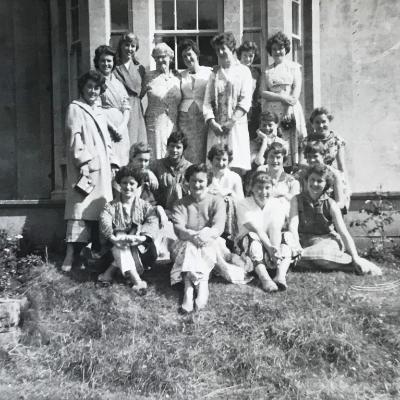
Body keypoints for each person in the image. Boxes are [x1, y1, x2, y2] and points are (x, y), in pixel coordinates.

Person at [62, 70, 116, 272]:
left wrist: (112, 163)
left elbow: (107, 142)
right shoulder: (76, 108)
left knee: (99, 208)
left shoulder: (100, 111)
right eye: (89, 87)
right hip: (85, 168)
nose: (93, 91)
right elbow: (75, 138)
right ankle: (70, 253)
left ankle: (94, 254)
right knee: (79, 210)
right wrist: (83, 163)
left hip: (102, 168)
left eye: (96, 88)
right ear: (82, 89)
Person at [288, 164, 382, 275]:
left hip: (327, 241)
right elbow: (293, 226)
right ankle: (347, 265)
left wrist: (355, 256)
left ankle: (355, 262)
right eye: (312, 180)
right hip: (304, 241)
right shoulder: (296, 199)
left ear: (326, 184)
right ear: (307, 180)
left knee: (320, 255)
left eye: (320, 181)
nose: (314, 184)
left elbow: (343, 232)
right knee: (293, 255)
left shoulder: (331, 204)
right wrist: (297, 247)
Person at [170, 164, 226, 312]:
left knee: (203, 244)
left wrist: (205, 234)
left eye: (201, 181)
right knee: (191, 246)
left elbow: (219, 227)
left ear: (207, 181)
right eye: (193, 180)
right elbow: (179, 229)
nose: (197, 184)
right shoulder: (180, 203)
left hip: (210, 241)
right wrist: (192, 235)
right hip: (184, 243)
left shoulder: (217, 201)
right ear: (188, 181)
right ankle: (193, 290)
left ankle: (194, 288)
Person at [98, 166, 159, 292]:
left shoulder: (144, 205)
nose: (128, 187)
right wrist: (113, 238)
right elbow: (104, 221)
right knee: (120, 235)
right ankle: (136, 280)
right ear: (119, 184)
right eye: (124, 183)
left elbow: (153, 220)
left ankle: (109, 273)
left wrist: (141, 237)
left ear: (137, 185)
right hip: (114, 247)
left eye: (132, 183)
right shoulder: (110, 206)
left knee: (126, 239)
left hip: (139, 248)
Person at [203, 32, 253, 174]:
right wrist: (212, 122)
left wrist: (231, 122)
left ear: (232, 48)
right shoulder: (215, 74)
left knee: (235, 165)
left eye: (223, 48)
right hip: (217, 129)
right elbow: (207, 102)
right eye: (217, 49)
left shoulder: (243, 71)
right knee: (216, 167)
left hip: (235, 127)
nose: (220, 52)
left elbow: (245, 101)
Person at [236, 171, 294, 291]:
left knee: (287, 236)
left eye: (267, 188)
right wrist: (269, 248)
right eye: (259, 188)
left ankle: (280, 275)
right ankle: (265, 279)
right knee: (252, 236)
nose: (263, 192)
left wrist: (275, 250)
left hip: (271, 249)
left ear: (272, 188)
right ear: (251, 188)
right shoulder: (243, 204)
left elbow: (275, 228)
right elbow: (256, 229)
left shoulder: (276, 203)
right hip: (250, 249)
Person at [260, 31, 307, 168]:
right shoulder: (267, 71)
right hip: (272, 112)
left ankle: (291, 170)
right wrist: (281, 97)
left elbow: (295, 92)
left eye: (280, 48)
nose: (277, 51)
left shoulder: (294, 67)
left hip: (290, 109)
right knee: (273, 142)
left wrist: (287, 108)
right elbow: (263, 92)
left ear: (285, 49)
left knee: (291, 142)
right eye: (274, 49)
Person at [94, 45, 131, 167]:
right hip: (105, 126)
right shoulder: (95, 82)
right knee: (108, 162)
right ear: (97, 62)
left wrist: (122, 126)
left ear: (113, 62)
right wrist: (113, 129)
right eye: (102, 61)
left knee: (122, 162)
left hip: (121, 128)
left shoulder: (118, 82)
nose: (106, 64)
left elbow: (126, 106)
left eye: (109, 61)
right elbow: (96, 108)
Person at [144, 43, 181, 159]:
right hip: (155, 123)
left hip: (173, 122)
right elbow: (136, 98)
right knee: (157, 154)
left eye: (163, 56)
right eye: (157, 57)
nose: (160, 60)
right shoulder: (148, 77)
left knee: (172, 153)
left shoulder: (177, 78)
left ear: (170, 58)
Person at [178, 39, 212, 163]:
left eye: (189, 54)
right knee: (187, 147)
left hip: (202, 116)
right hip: (185, 118)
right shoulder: (180, 75)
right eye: (184, 56)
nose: (187, 58)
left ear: (196, 54)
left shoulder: (208, 72)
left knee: (202, 147)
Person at [114, 32, 147, 146]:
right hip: (120, 107)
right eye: (127, 45)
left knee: (136, 144)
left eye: (133, 46)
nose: (130, 49)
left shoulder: (140, 68)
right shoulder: (114, 67)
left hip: (136, 109)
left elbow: (141, 92)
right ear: (121, 46)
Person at [207, 144, 244, 247]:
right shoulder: (206, 176)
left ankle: (228, 239)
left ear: (229, 161)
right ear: (211, 160)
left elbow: (241, 202)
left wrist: (229, 194)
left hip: (229, 219)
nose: (221, 163)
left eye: (224, 160)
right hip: (209, 215)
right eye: (217, 159)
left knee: (228, 201)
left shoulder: (234, 177)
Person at [302, 141, 350, 212]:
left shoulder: (334, 174)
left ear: (323, 155)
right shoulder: (304, 173)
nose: (312, 160)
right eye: (309, 156)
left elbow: (340, 202)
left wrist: (330, 211)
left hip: (330, 214)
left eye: (315, 156)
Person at [150, 131, 192, 213]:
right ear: (167, 147)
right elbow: (139, 170)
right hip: (162, 209)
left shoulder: (189, 168)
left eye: (178, 147)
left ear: (183, 149)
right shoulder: (157, 165)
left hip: (183, 210)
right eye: (172, 146)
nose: (174, 150)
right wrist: (149, 173)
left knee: (176, 187)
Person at [256, 142, 300, 216]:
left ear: (284, 159)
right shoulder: (260, 179)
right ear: (266, 159)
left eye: (278, 157)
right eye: (271, 157)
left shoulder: (292, 182)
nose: (275, 160)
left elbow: (295, 207)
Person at [303, 107, 347, 176]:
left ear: (329, 121)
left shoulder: (337, 140)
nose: (321, 125)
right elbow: (302, 163)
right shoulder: (307, 141)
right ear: (312, 124)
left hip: (331, 176)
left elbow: (341, 166)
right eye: (317, 122)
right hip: (312, 177)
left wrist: (345, 184)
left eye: (323, 121)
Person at [237, 40, 261, 141]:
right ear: (240, 56)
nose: (247, 59)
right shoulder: (235, 71)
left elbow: (257, 94)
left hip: (252, 112)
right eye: (245, 55)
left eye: (250, 56)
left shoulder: (256, 73)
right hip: (237, 110)